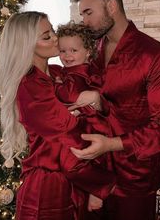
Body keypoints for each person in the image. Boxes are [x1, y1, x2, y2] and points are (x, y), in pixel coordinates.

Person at [70, 0, 160, 220]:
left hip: (132, 181)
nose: (84, 21)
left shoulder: (156, 57)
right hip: (93, 175)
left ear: (112, 6)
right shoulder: (93, 50)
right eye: (82, 15)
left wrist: (111, 144)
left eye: (88, 12)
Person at [0, 11, 116, 220]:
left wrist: (96, 100)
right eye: (46, 36)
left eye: (52, 31)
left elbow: (100, 104)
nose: (55, 38)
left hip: (77, 177)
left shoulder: (58, 73)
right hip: (49, 185)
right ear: (27, 45)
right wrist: (103, 182)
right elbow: (66, 130)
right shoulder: (29, 85)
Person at [54, 21, 114, 213]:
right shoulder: (74, 70)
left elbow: (70, 96)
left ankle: (102, 184)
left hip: (90, 127)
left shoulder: (80, 73)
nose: (67, 56)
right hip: (87, 124)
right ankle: (96, 189)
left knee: (70, 162)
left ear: (88, 51)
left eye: (73, 50)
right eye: (62, 51)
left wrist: (55, 85)